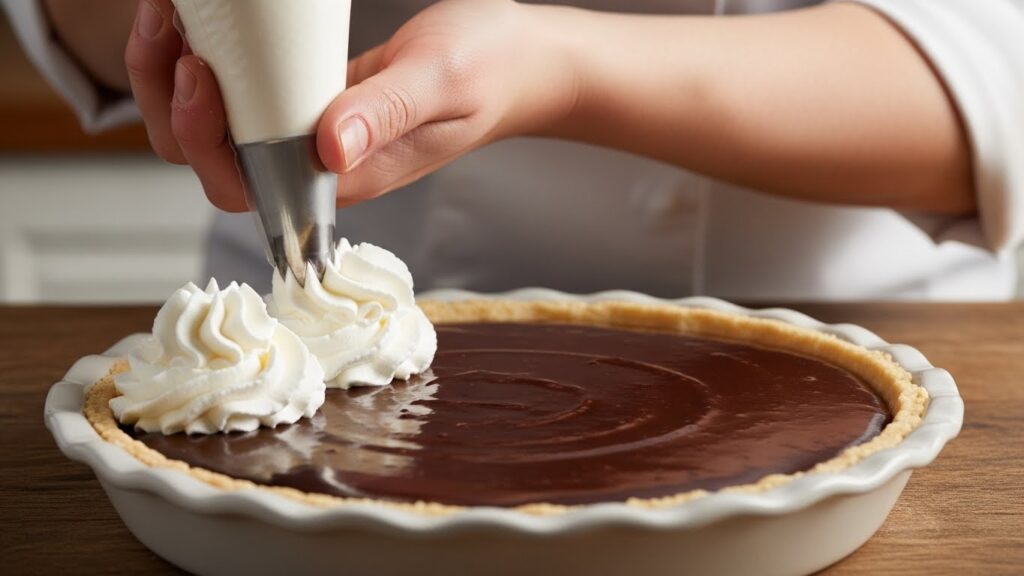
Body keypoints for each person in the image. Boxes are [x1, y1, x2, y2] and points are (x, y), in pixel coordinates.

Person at [5, 0, 1022, 300]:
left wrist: (562, 67)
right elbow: (86, 22)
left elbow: (988, 77)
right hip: (283, 342)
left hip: (842, 355)